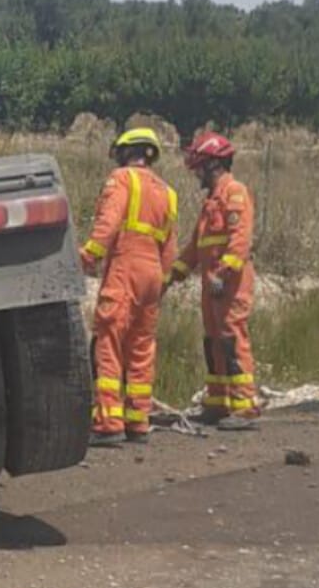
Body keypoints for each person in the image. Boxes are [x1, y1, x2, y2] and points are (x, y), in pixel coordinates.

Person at [80, 127, 178, 447]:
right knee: (141, 346)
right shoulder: (168, 192)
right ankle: (138, 420)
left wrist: (88, 256)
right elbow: (169, 247)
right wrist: (162, 282)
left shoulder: (122, 179)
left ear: (126, 152)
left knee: (108, 340)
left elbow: (108, 223)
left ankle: (108, 422)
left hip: (126, 267)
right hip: (153, 275)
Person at [170, 131, 258, 427]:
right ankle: (218, 401)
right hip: (212, 285)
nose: (196, 174)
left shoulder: (234, 192)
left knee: (231, 339)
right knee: (213, 341)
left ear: (213, 165)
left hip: (230, 284)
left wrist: (223, 273)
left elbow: (240, 239)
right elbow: (196, 246)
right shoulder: (211, 202)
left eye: (199, 167)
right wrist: (174, 273)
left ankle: (244, 406)